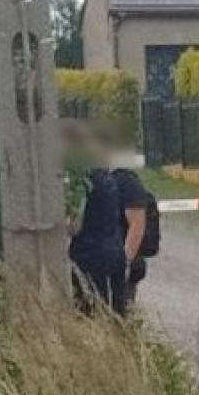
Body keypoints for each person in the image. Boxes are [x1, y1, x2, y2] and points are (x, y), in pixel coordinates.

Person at [64, 120, 149, 317]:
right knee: (114, 314)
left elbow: (75, 225)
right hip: (113, 256)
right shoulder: (109, 179)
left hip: (91, 258)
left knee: (92, 313)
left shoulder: (87, 183)